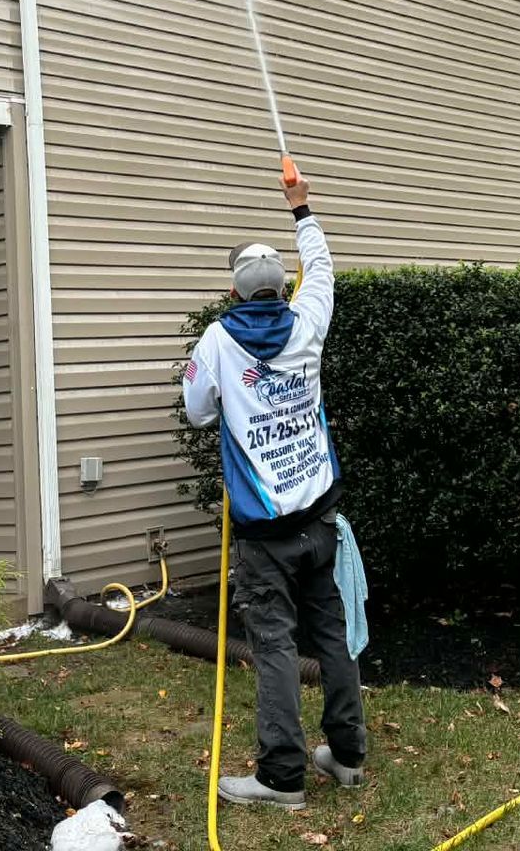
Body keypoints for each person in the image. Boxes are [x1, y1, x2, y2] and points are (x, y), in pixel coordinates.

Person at [182, 170, 367, 808]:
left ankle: (282, 777)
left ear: (233, 290)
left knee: (276, 645)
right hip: (319, 519)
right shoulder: (308, 320)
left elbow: (198, 412)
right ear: (283, 286)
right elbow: (324, 269)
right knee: (333, 635)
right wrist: (301, 206)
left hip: (264, 534)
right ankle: (347, 755)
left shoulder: (217, 340)